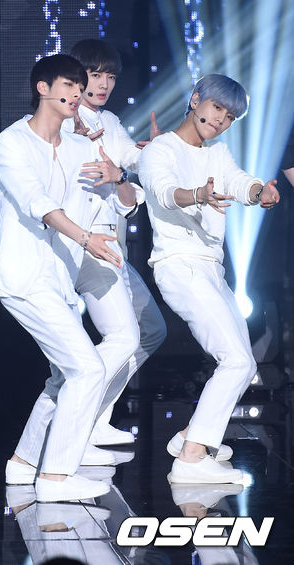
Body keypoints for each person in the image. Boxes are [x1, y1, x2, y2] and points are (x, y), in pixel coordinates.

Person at [0, 54, 135, 502]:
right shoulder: (12, 142)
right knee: (87, 369)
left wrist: (120, 176)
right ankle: (55, 478)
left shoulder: (80, 146)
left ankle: (24, 462)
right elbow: (37, 203)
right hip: (23, 276)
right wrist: (87, 239)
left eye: (79, 87)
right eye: (69, 85)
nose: (77, 93)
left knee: (63, 378)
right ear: (43, 88)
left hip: (60, 278)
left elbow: (120, 203)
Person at [138, 73, 280, 483]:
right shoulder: (161, 149)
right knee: (235, 361)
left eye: (230, 116)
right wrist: (196, 195)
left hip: (211, 269)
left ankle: (191, 437)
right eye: (217, 107)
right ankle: (191, 459)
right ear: (196, 99)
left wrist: (259, 192)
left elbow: (237, 180)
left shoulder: (218, 153)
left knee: (244, 364)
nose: (221, 119)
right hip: (179, 265)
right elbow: (163, 191)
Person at [63, 39, 167, 446]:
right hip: (77, 245)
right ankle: (75, 421)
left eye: (110, 76)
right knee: (121, 338)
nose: (104, 84)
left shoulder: (109, 121)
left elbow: (131, 161)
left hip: (109, 245)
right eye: (96, 75)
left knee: (150, 330)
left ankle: (93, 416)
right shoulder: (61, 122)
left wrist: (159, 152)